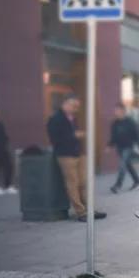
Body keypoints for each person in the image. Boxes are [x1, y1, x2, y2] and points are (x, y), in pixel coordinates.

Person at [47, 94, 106, 222]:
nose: (76, 109)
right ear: (65, 104)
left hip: (78, 153)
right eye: (74, 106)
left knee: (84, 183)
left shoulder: (72, 118)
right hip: (65, 155)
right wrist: (74, 135)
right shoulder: (55, 119)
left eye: (77, 106)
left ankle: (90, 210)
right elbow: (55, 139)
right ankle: (81, 212)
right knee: (72, 184)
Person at [107, 103, 139, 193]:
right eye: (115, 110)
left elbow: (137, 134)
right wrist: (109, 146)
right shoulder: (115, 123)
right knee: (128, 165)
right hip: (120, 148)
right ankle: (137, 182)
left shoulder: (130, 122)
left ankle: (117, 185)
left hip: (128, 147)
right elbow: (113, 137)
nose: (115, 112)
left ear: (123, 111)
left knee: (122, 165)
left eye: (117, 110)